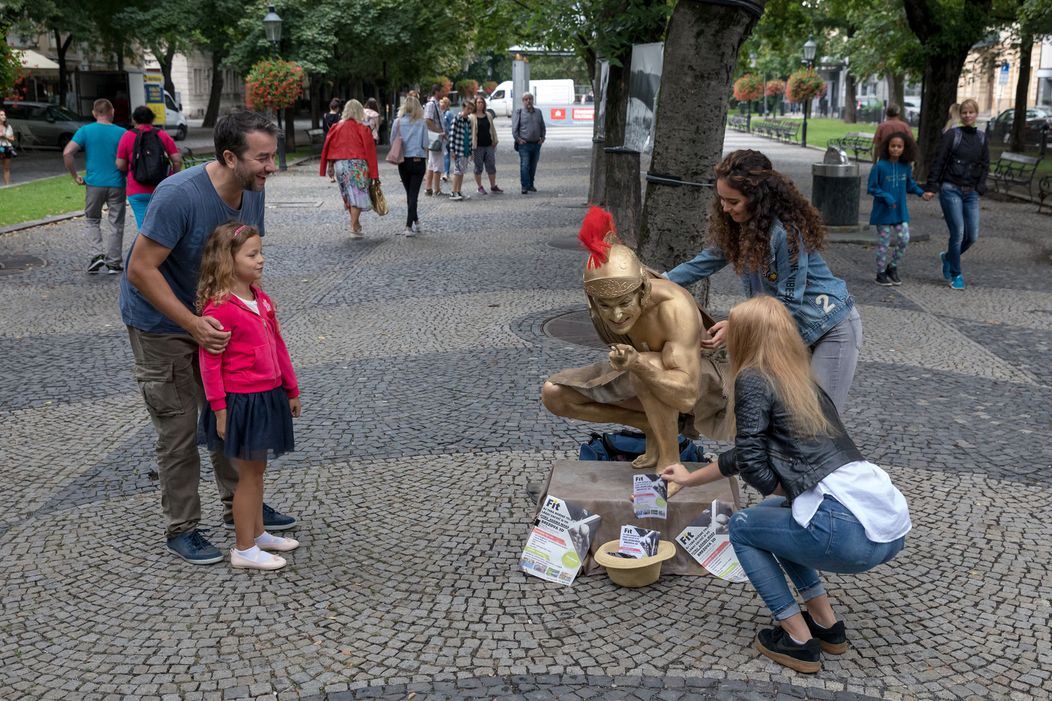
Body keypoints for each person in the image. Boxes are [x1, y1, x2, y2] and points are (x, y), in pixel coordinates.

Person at [661, 296, 910, 674]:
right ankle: (827, 626)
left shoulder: (753, 377)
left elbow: (753, 462)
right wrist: (691, 478)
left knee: (744, 528)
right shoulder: (801, 377)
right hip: (885, 527)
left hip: (848, 534)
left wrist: (778, 489)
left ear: (745, 337)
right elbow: (746, 455)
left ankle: (796, 638)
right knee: (775, 517)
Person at [120, 111, 298, 565]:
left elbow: (241, 259)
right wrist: (192, 324)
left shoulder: (252, 190)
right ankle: (182, 528)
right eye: (262, 158)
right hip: (162, 324)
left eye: (271, 157)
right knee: (178, 430)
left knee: (230, 417)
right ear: (228, 157)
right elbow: (140, 269)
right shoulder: (179, 195)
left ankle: (243, 512)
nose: (271, 167)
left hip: (218, 319)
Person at [664, 149, 861, 415]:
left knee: (820, 422)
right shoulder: (739, 226)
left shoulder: (785, 232)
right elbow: (704, 262)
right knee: (779, 418)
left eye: (732, 201)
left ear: (757, 199)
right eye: (721, 199)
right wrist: (657, 283)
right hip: (786, 333)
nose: (724, 208)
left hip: (829, 329)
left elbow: (787, 302)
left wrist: (737, 325)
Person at [542, 207, 730, 479]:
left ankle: (669, 462)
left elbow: (686, 394)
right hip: (645, 377)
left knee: (649, 365)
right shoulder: (601, 307)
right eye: (605, 305)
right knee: (555, 394)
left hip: (704, 386)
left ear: (642, 290)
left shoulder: (674, 308)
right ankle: (649, 425)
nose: (616, 315)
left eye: (624, 303)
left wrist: (638, 363)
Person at [196, 222, 302, 570]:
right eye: (252, 254)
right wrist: (220, 411)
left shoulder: (261, 299)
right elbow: (210, 365)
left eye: (261, 253)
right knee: (248, 476)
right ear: (228, 260)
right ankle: (243, 548)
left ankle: (257, 534)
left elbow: (278, 346)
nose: (260, 260)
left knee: (257, 472)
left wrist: (291, 388)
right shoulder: (220, 309)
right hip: (241, 402)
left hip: (266, 396)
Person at [926, 98, 989, 290]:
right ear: (960, 115)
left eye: (971, 112)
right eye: (964, 113)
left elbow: (985, 164)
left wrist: (980, 186)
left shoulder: (982, 137)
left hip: (971, 192)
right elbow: (939, 160)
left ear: (976, 114)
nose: (968, 115)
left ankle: (947, 257)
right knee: (958, 233)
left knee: (972, 236)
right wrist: (932, 186)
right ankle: (956, 274)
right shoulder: (953, 135)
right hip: (951, 189)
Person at [63, 98, 128, 274]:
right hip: (117, 184)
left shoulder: (85, 131)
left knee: (92, 220)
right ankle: (114, 263)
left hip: (93, 184)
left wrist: (75, 175)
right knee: (116, 223)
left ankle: (96, 256)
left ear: (94, 113)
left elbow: (68, 153)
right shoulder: (122, 132)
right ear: (112, 111)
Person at [868, 132, 933, 286]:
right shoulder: (880, 166)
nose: (895, 149)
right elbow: (872, 187)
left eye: (899, 147)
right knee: (884, 242)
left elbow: (909, 184)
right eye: (893, 146)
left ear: (905, 149)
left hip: (900, 212)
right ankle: (880, 273)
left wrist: (921, 193)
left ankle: (893, 266)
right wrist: (886, 196)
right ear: (887, 147)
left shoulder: (905, 167)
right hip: (883, 212)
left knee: (904, 238)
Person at [319, 99, 379, 239]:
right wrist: (373, 172)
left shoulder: (336, 127)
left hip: (340, 164)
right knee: (357, 194)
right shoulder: (363, 128)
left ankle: (356, 225)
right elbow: (370, 150)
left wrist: (330, 166)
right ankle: (353, 227)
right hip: (357, 165)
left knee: (348, 195)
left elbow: (330, 146)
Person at [116, 105, 182, 229]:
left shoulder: (127, 136)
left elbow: (120, 164)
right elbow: (177, 160)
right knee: (164, 225)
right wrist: (173, 176)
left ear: (134, 120)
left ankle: (147, 246)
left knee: (144, 227)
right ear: (152, 119)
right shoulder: (162, 135)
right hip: (161, 189)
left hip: (136, 189)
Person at [392, 95, 430, 237]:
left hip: (402, 161)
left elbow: (392, 140)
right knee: (413, 193)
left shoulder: (398, 122)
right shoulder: (421, 123)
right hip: (418, 160)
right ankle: (409, 225)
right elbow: (425, 144)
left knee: (409, 192)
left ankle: (416, 221)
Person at [512, 92, 546, 194]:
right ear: (523, 101)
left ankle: (531, 185)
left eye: (530, 99)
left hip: (536, 144)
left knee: (533, 166)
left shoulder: (538, 112)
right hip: (524, 144)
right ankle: (524, 186)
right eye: (526, 99)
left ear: (533, 100)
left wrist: (543, 138)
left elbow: (542, 126)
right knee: (525, 165)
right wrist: (518, 139)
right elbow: (514, 129)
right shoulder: (519, 112)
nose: (528, 101)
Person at [470, 95, 502, 195]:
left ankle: (493, 186)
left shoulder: (488, 115)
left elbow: (492, 128)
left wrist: (495, 140)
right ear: (475, 104)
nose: (480, 104)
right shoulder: (472, 117)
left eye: (482, 102)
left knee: (491, 166)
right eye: (478, 102)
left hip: (489, 145)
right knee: (478, 167)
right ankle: (479, 187)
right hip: (477, 146)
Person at [448, 100, 475, 201]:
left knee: (462, 171)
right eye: (468, 108)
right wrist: (452, 150)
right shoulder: (456, 119)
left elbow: (469, 136)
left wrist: (471, 151)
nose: (469, 111)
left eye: (471, 109)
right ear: (463, 108)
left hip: (465, 150)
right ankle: (453, 191)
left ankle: (458, 190)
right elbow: (452, 135)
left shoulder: (468, 120)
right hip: (458, 149)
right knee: (457, 171)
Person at [423, 84, 446, 197]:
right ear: (437, 92)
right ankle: (436, 189)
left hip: (436, 137)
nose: (443, 93)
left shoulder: (435, 104)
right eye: (442, 91)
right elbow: (428, 120)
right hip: (435, 138)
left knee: (431, 164)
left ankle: (428, 188)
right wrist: (439, 132)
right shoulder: (431, 105)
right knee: (438, 164)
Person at [440, 96, 454, 182]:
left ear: (446, 104)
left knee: (446, 155)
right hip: (442, 137)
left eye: (442, 102)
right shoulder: (441, 113)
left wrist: (450, 136)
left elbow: (452, 125)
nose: (440, 104)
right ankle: (444, 172)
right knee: (443, 155)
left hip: (447, 137)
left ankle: (446, 173)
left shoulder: (448, 113)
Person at [0, 109, 15, 186]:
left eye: (4, 115)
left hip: (6, 148)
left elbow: (12, 139)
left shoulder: (8, 126)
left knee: (6, 168)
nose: (4, 116)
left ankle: (7, 186)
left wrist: (5, 136)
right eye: (1, 115)